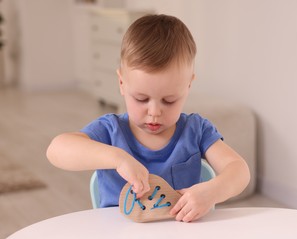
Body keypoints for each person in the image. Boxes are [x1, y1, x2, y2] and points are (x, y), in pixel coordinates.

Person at [46, 14, 250, 222]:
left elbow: (239, 170)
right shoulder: (111, 130)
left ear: (188, 85)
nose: (154, 112)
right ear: (122, 83)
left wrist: (212, 191)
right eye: (141, 99)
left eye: (169, 100)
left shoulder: (196, 130)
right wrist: (118, 159)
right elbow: (56, 149)